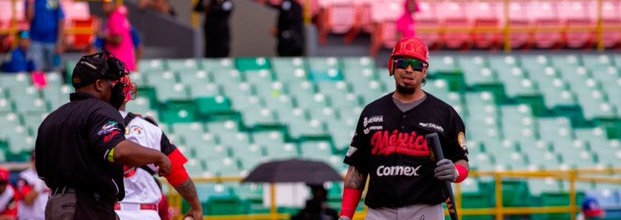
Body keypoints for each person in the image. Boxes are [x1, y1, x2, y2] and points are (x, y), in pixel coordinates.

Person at [337, 37, 470, 220]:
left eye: (416, 65)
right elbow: (357, 169)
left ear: (424, 72)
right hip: (380, 211)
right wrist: (345, 215)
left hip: (424, 209)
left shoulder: (444, 113)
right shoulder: (371, 112)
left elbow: (462, 161)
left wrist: (455, 172)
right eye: (403, 63)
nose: (409, 69)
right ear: (392, 66)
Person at [35, 51, 172, 219]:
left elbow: (42, 172)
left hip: (57, 204)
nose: (115, 87)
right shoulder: (101, 110)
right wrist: (158, 156)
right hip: (85, 206)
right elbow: (117, 150)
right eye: (110, 82)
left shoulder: (51, 119)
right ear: (99, 84)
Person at [115, 81, 202, 220]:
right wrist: (196, 207)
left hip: (102, 211)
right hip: (145, 213)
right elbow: (179, 175)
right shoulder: (149, 129)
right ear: (128, 94)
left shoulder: (86, 126)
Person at [25, 0, 65, 72]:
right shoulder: (29, 1)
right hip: (36, 42)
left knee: (55, 72)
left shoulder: (54, 1)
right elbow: (29, 18)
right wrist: (31, 3)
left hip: (53, 42)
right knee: (37, 72)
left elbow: (60, 19)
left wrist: (60, 42)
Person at [101, 0, 136, 72]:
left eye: (108, 4)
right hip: (121, 65)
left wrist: (103, 35)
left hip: (119, 65)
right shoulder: (117, 16)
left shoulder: (115, 17)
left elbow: (118, 39)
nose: (105, 7)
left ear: (114, 4)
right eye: (104, 4)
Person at [15, 151, 50, 220]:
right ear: (32, 160)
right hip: (31, 218)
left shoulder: (53, 176)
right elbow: (27, 200)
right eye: (35, 159)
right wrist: (40, 184)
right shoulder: (24, 177)